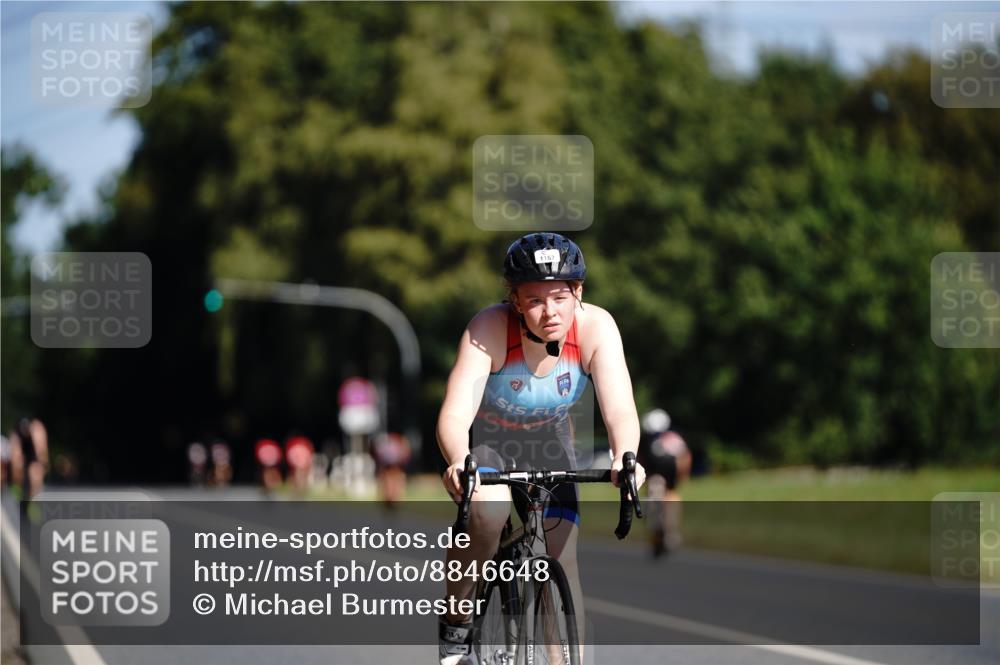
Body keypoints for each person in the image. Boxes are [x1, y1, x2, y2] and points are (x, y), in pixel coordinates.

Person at [437, 232, 646, 665]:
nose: (549, 312)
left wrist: (625, 458)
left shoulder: (596, 328)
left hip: (550, 441)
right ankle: (456, 623)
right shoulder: (488, 329)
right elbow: (455, 415)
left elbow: (621, 409)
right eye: (534, 301)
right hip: (492, 441)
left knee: (562, 558)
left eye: (559, 297)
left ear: (578, 292)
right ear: (514, 300)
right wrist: (460, 459)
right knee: (488, 513)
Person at [639, 409, 692, 558]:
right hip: (667, 476)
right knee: (671, 496)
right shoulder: (675, 437)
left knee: (655, 499)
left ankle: (663, 530)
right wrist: (683, 476)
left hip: (657, 476)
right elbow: (685, 458)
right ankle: (669, 530)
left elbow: (640, 459)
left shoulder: (646, 439)